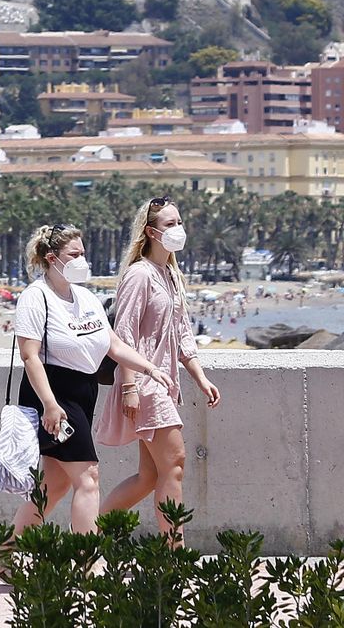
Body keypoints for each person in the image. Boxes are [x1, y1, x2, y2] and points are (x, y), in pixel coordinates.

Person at [10, 223, 173, 535]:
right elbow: (29, 356)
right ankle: (88, 555)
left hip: (84, 390)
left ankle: (5, 550)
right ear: (51, 257)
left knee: (55, 483)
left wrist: (149, 368)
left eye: (82, 253)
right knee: (88, 477)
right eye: (74, 254)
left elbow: (114, 345)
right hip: (53, 391)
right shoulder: (35, 297)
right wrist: (50, 405)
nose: (81, 260)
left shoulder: (86, 297)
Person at [96, 197, 222, 535]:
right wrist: (129, 387)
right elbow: (123, 335)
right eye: (169, 224)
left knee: (150, 475)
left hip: (164, 383)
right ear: (151, 232)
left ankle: (87, 534)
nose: (178, 229)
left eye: (179, 222)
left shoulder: (170, 275)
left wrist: (200, 378)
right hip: (145, 384)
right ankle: (173, 552)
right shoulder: (139, 275)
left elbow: (182, 335)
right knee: (174, 464)